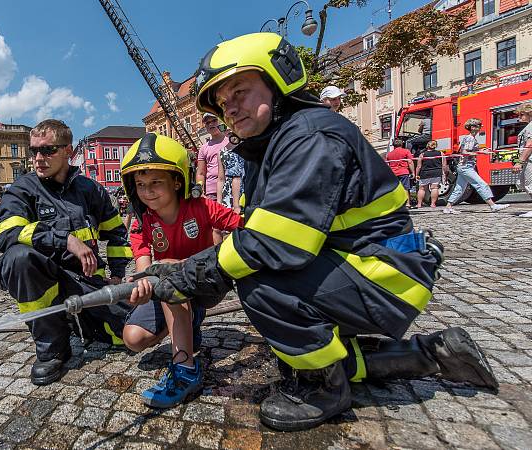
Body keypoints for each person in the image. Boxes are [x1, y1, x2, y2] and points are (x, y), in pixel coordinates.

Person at [135, 32, 499, 431]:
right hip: (368, 263)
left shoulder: (309, 135)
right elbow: (259, 231)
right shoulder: (275, 142)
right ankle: (431, 354)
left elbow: (272, 243)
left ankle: (322, 389)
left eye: (239, 91)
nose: (230, 109)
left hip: (385, 274)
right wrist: (199, 274)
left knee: (262, 284)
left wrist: (188, 276)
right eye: (222, 103)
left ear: (278, 82)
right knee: (294, 349)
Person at [0, 119, 134, 385]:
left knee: (131, 333)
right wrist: (66, 239)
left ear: (68, 151)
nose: (38, 158)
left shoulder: (90, 189)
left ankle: (80, 321)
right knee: (17, 258)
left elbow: (117, 232)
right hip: (45, 279)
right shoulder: (22, 190)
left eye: (48, 150)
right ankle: (52, 349)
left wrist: (117, 274)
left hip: (84, 280)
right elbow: (5, 234)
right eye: (33, 150)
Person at [121, 133, 243, 408]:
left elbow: (243, 228)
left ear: (178, 181)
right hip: (170, 291)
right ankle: (187, 325)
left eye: (155, 182)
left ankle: (186, 370)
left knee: (167, 280)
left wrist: (179, 265)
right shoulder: (143, 222)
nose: (147, 191)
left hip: (206, 284)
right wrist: (142, 283)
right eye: (140, 184)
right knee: (133, 339)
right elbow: (144, 266)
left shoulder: (203, 208)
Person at [443, 118, 510, 214]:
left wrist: (481, 151)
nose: (480, 128)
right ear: (473, 127)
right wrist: (481, 152)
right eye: (478, 126)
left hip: (464, 166)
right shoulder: (470, 138)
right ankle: (492, 205)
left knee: (460, 188)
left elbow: (466, 151)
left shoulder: (469, 138)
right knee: (481, 184)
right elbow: (465, 152)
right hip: (466, 166)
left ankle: (448, 207)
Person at [196, 113, 228, 203]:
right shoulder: (204, 148)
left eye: (214, 120)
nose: (211, 124)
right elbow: (201, 173)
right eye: (207, 122)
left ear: (220, 121)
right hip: (211, 192)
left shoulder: (231, 141)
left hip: (231, 188)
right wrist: (201, 191)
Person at [513, 103, 532, 218]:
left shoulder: (530, 126)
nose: (519, 117)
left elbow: (529, 145)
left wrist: (520, 162)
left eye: (521, 114)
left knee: (530, 184)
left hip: (530, 160)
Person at [415, 140, 447, 208]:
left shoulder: (422, 154)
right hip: (436, 172)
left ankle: (419, 204)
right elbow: (444, 165)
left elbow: (419, 166)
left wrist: (416, 174)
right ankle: (433, 204)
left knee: (422, 189)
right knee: (434, 188)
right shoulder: (441, 153)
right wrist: (444, 173)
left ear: (427, 146)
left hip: (425, 173)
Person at [386, 139, 416, 208]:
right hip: (403, 172)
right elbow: (410, 162)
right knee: (405, 188)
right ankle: (407, 203)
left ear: (393, 145)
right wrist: (413, 172)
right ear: (401, 144)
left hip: (393, 173)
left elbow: (388, 164)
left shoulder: (389, 154)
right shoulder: (406, 151)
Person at [217, 140, 245, 214]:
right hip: (228, 195)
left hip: (244, 191)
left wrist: (236, 206)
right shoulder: (221, 152)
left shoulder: (246, 146)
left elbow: (237, 177)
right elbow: (220, 179)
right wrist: (219, 203)